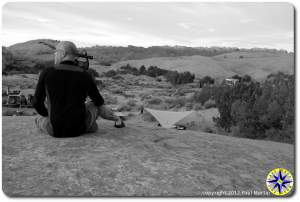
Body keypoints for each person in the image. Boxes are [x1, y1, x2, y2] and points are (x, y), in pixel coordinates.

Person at [33, 41, 123, 138]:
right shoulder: (85, 74)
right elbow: (99, 102)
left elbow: (36, 103)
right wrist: (114, 117)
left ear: (62, 53)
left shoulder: (47, 72)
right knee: (93, 104)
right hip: (79, 129)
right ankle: (96, 124)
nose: (55, 55)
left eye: (56, 52)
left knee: (38, 119)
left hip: (55, 130)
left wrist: (47, 115)